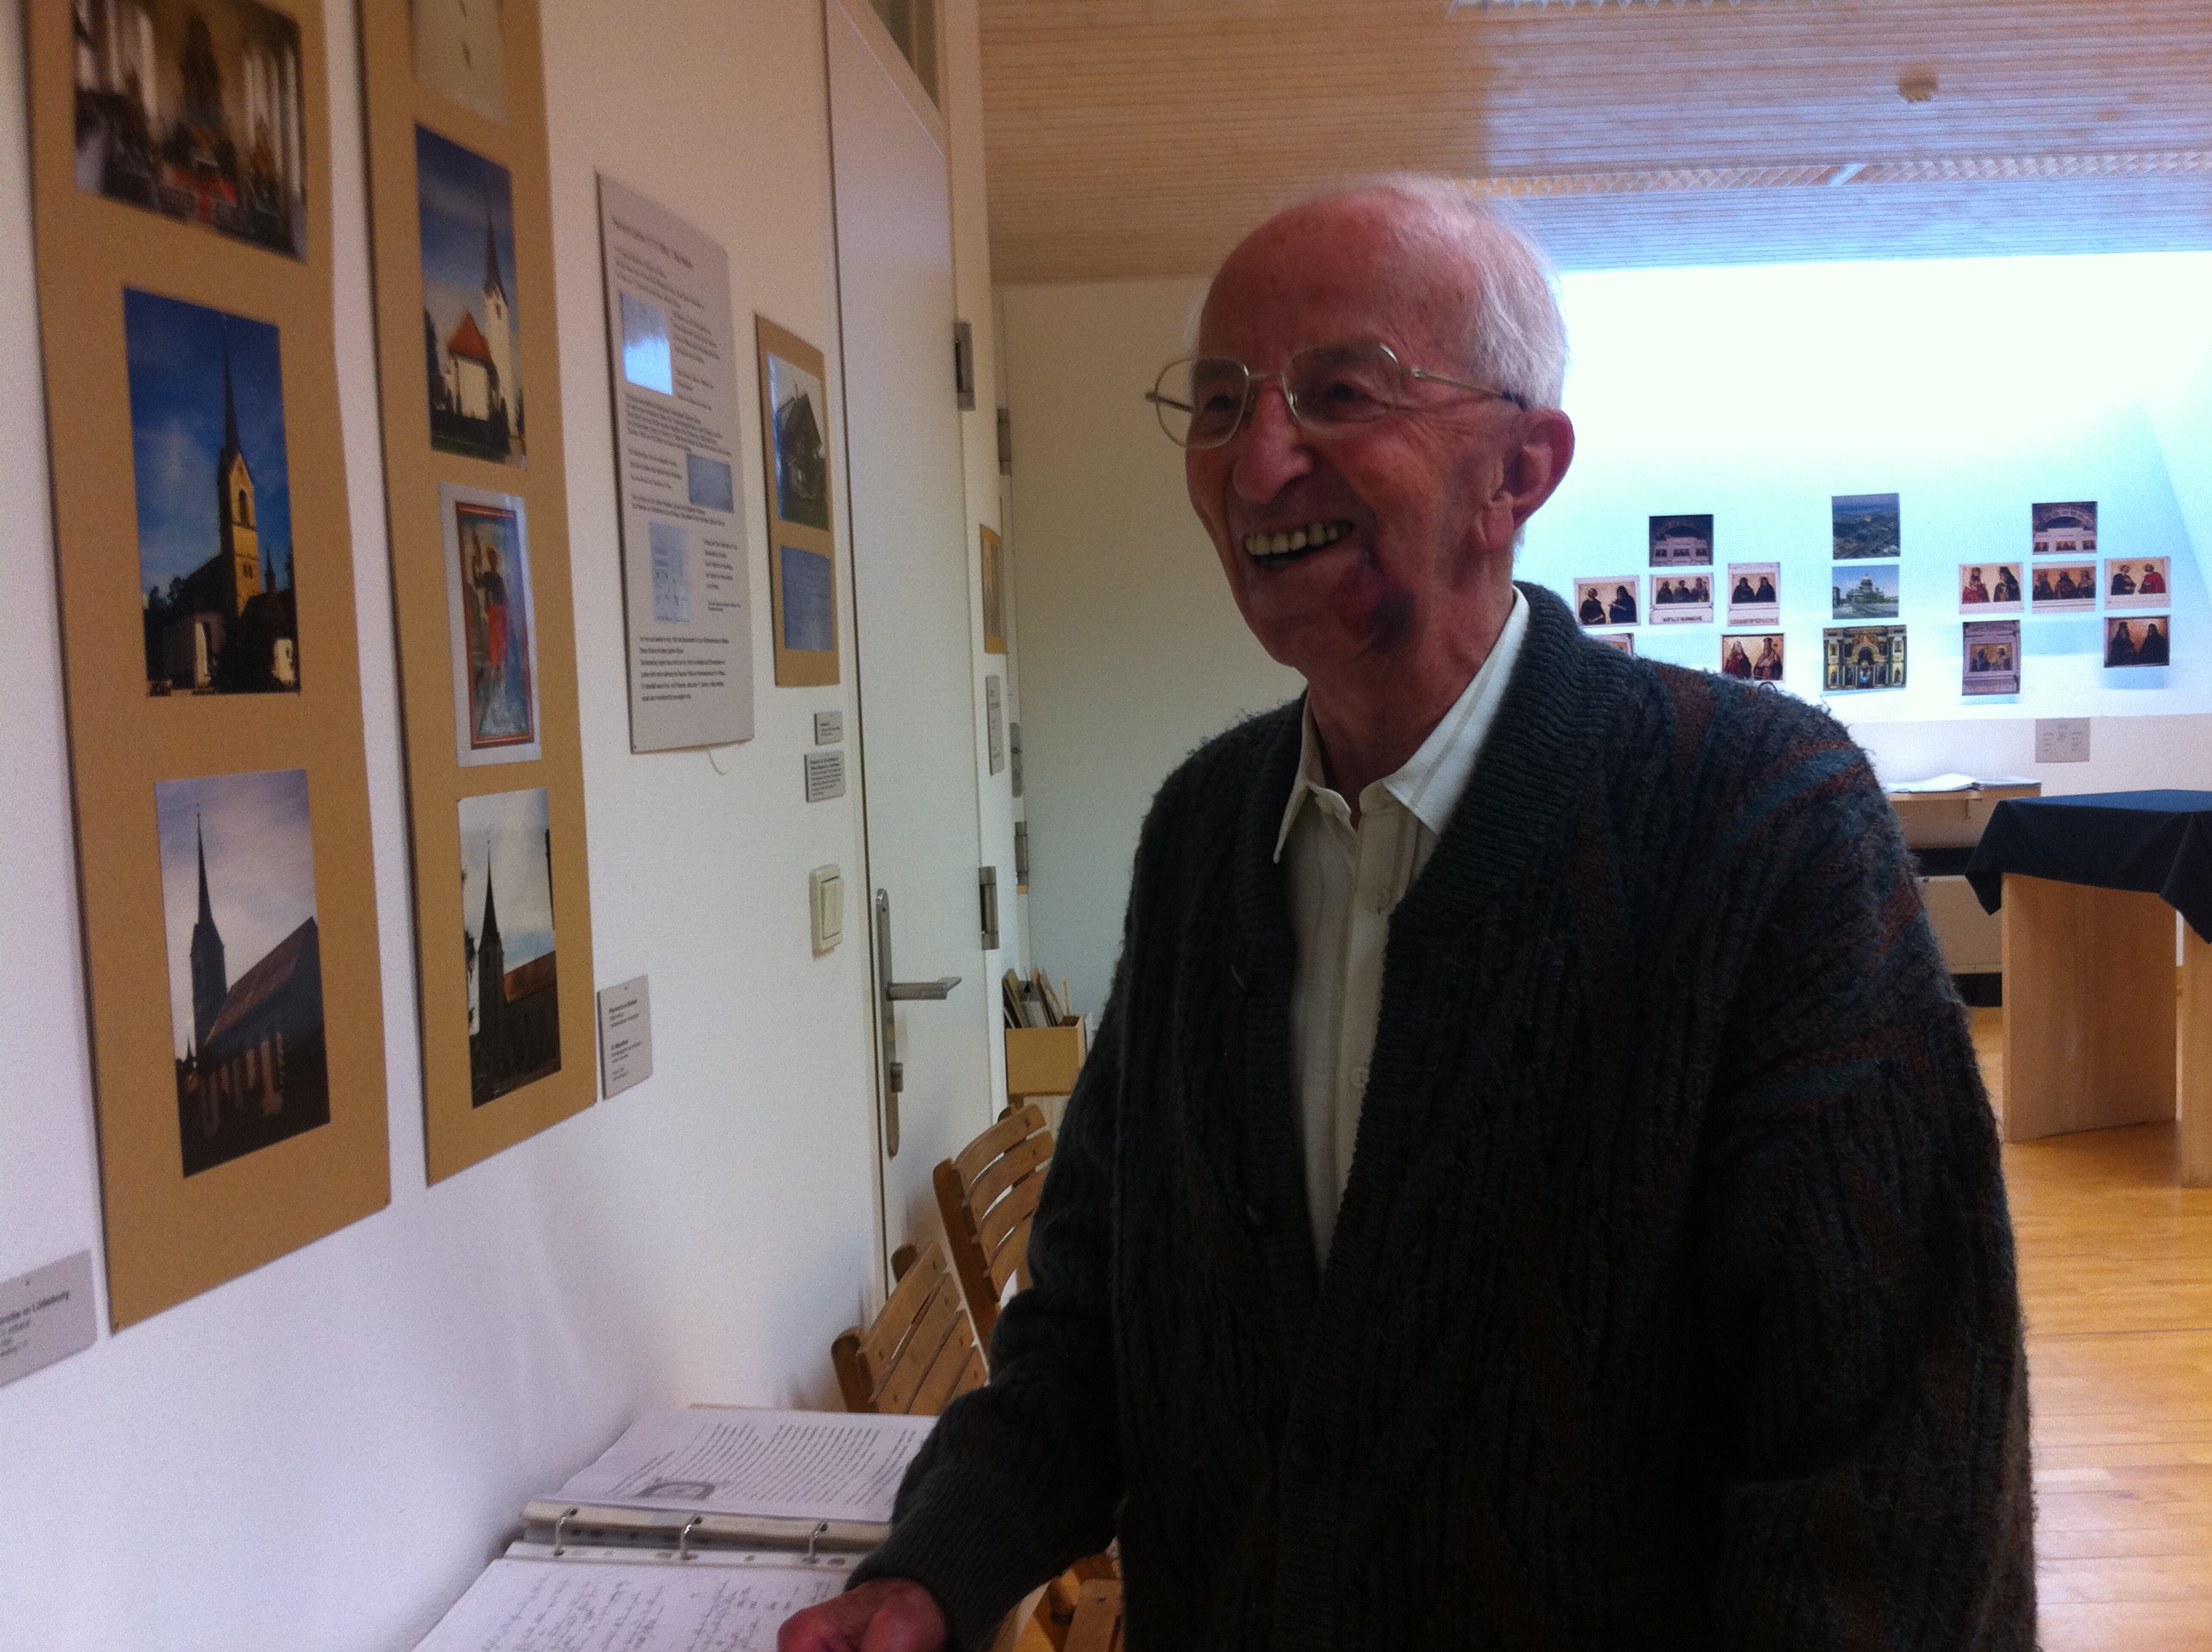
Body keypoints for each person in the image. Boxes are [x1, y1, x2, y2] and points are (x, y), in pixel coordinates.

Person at [783, 178, 2032, 1652]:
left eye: (1340, 391)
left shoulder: (1763, 825)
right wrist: (936, 1570)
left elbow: (1890, 1479)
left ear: (1518, 471)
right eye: (1219, 401)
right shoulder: (1203, 836)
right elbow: (1098, 1319)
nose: (1256, 461)